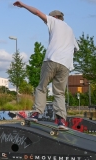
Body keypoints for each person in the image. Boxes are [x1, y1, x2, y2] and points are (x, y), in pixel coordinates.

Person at [13, 1, 79, 130]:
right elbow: (76, 49)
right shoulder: (70, 30)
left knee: (41, 88)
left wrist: (23, 5)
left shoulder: (54, 22)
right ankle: (61, 121)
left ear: (54, 17)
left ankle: (37, 113)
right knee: (59, 93)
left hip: (52, 60)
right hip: (65, 65)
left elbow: (37, 13)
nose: (46, 23)